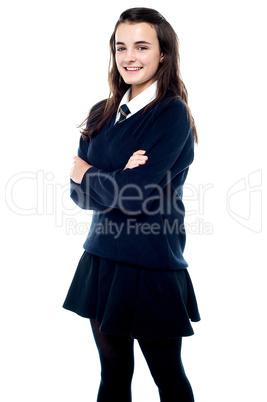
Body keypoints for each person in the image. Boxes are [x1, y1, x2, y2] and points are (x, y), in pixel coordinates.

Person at [63, 7, 200, 402]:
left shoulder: (170, 115)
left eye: (142, 46)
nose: (129, 57)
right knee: (113, 372)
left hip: (152, 259)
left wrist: (90, 172)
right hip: (102, 256)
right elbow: (77, 195)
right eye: (121, 46)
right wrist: (116, 175)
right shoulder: (100, 113)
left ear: (163, 54)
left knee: (168, 376)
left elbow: (134, 196)